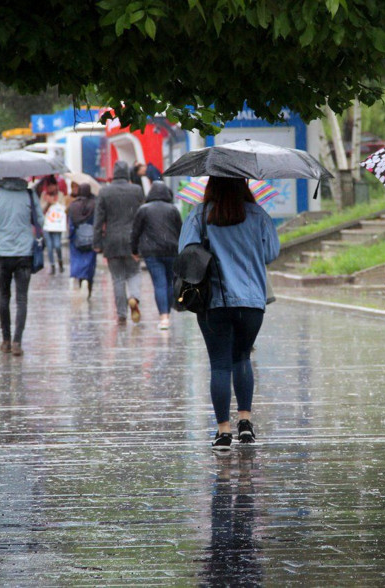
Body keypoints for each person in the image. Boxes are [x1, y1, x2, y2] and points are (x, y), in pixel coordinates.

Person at [178, 176, 280, 450]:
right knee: (242, 358)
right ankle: (245, 424)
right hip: (251, 301)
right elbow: (271, 253)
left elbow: (185, 254)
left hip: (214, 301)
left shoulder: (199, 215)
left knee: (220, 364)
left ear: (210, 185)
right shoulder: (258, 214)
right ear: (243, 184)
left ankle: (223, 431)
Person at [0, 177, 44, 357]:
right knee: (22, 298)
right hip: (25, 253)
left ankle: (6, 340)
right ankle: (17, 341)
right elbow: (40, 220)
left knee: (4, 296)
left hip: (3, 254)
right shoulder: (29, 195)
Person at [93, 161, 145, 324]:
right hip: (132, 240)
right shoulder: (136, 190)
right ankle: (134, 297)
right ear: (128, 174)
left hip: (112, 241)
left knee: (118, 279)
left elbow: (98, 220)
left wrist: (97, 243)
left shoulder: (105, 192)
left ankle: (121, 315)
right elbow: (142, 216)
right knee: (134, 272)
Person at [130, 181, 183, 329]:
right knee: (170, 282)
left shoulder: (144, 209)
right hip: (172, 250)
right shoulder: (173, 209)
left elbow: (136, 232)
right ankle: (168, 312)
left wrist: (134, 250)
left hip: (151, 252)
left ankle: (164, 318)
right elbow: (181, 230)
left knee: (159, 284)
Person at [68, 183, 98, 298]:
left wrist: (71, 236)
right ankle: (88, 284)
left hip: (77, 239)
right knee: (90, 263)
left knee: (78, 261)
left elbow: (70, 224)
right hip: (91, 238)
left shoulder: (73, 205)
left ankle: (80, 280)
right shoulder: (94, 204)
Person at [41, 179, 66, 274]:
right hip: (47, 225)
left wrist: (54, 202)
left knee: (57, 245)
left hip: (57, 225)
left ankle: (60, 261)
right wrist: (48, 203)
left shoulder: (60, 195)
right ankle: (52, 265)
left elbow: (63, 208)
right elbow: (41, 209)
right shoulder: (44, 195)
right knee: (49, 247)